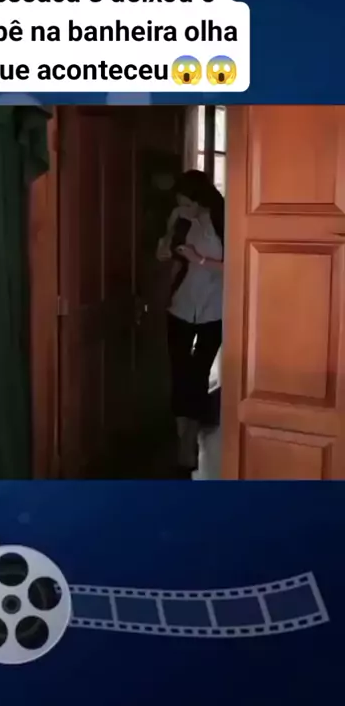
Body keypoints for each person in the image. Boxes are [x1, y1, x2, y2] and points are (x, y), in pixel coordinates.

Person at [156, 170, 224, 478]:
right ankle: (181, 438)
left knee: (198, 374)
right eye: (180, 204)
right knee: (179, 372)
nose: (183, 208)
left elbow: (239, 264)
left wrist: (199, 259)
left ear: (200, 199)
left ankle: (189, 441)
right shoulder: (183, 221)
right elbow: (163, 255)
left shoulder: (223, 220)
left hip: (214, 310)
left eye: (186, 203)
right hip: (181, 307)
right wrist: (170, 228)